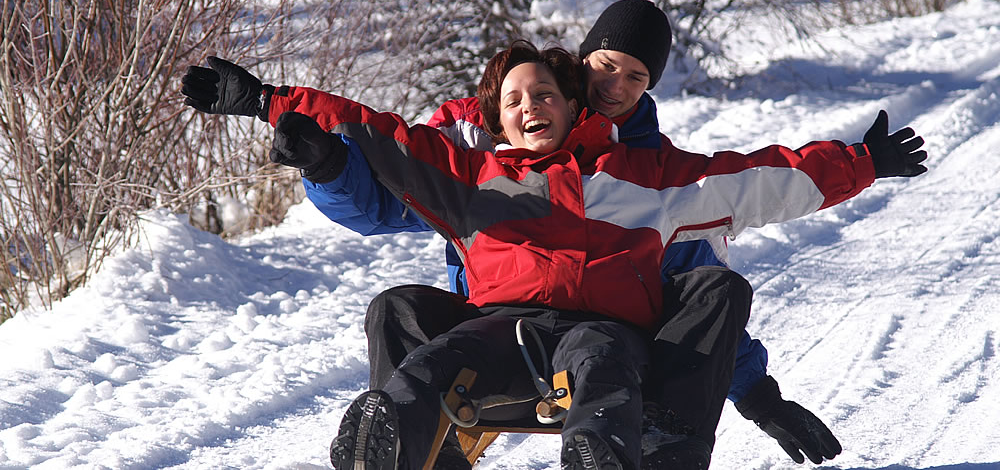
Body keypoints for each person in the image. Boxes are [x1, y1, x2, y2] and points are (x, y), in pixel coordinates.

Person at [186, 35, 925, 470]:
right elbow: (375, 132)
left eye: (542, 94)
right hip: (500, 328)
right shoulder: (471, 177)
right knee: (434, 361)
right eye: (512, 101)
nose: (528, 106)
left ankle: (598, 457)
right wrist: (267, 103)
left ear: (574, 107)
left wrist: (861, 162)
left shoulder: (649, 177)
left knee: (600, 360)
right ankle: (386, 436)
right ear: (495, 120)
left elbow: (770, 178)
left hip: (603, 331)